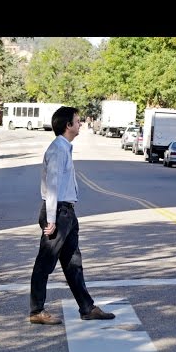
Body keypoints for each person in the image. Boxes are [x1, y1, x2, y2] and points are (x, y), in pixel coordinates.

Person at [29, 106, 116, 325]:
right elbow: (52, 185)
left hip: (66, 212)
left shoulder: (65, 147)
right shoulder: (58, 149)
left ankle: (87, 308)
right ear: (68, 125)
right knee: (44, 263)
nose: (80, 124)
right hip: (58, 212)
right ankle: (36, 311)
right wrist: (51, 219)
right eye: (77, 121)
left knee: (73, 263)